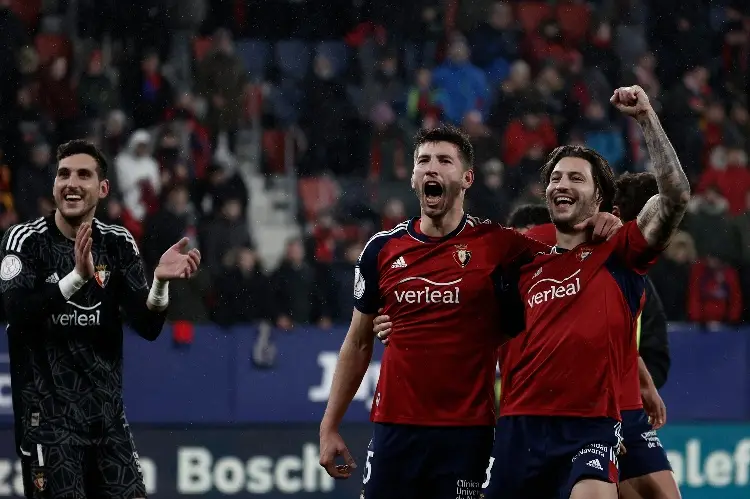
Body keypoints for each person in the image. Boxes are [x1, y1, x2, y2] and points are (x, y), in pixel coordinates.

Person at [317, 125, 620, 499]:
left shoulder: (497, 246)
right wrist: (329, 427)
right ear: (412, 177)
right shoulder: (381, 249)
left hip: (467, 432)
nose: (432, 169)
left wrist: (604, 225)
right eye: (423, 161)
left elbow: (568, 259)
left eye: (444, 161)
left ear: (466, 178)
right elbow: (359, 341)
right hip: (395, 428)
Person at [485, 85, 690, 499]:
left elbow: (675, 196)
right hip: (519, 426)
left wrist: (647, 118)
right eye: (556, 178)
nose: (563, 183)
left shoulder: (620, 249)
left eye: (576, 178)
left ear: (599, 197)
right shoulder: (519, 253)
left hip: (591, 424)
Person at [0, 139, 201, 498]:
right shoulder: (24, 240)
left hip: (108, 423)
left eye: (83, 175)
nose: (71, 183)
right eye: (63, 174)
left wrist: (159, 284)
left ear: (103, 188)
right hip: (48, 424)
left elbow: (149, 326)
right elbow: (16, 313)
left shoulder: (118, 243)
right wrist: (76, 278)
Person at [611, 173, 678, 499]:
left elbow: (640, 346)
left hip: (628, 405)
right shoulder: (597, 265)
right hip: (590, 410)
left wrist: (643, 384)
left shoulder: (639, 281)